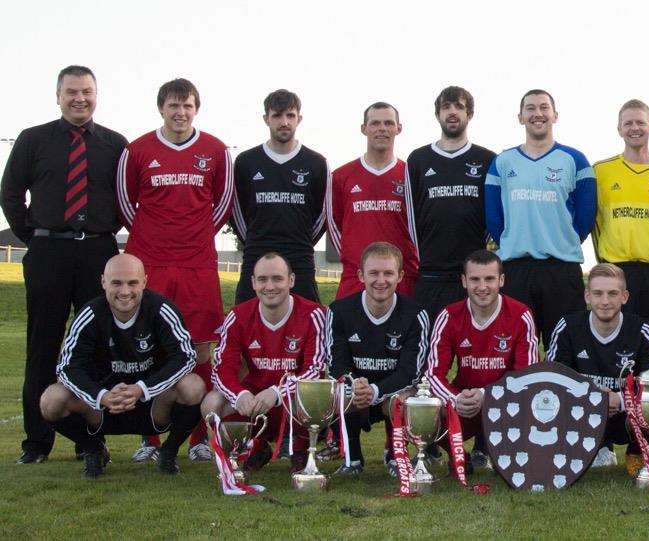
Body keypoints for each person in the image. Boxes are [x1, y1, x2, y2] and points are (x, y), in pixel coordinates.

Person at [2, 65, 127, 464]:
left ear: (97, 94)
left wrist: (103, 237)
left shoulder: (115, 144)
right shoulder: (33, 139)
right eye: (71, 91)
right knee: (43, 347)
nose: (80, 98)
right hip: (48, 254)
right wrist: (36, 238)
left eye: (87, 91)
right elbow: (10, 194)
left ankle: (89, 439)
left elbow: (126, 200)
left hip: (97, 253)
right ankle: (36, 444)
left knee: (94, 350)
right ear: (57, 96)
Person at [117, 78, 233, 463]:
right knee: (147, 345)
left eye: (187, 105)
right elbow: (125, 204)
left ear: (196, 109)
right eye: (173, 105)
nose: (180, 112)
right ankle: (149, 438)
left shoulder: (215, 150)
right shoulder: (137, 151)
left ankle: (200, 436)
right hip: (150, 262)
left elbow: (222, 204)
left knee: (201, 346)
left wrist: (192, 236)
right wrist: (156, 239)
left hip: (198, 263)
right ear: (161, 108)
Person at [40, 254, 204, 477]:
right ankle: (94, 449)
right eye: (116, 283)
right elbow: (67, 367)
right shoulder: (89, 314)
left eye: (132, 283)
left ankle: (169, 451)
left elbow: (186, 357)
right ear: (103, 282)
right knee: (51, 399)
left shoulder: (161, 309)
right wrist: (102, 396)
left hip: (152, 403)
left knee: (193, 386)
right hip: (103, 406)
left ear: (144, 282)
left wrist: (141, 389)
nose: (124, 291)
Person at [485, 89, 596, 346]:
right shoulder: (503, 161)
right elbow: (493, 217)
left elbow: (586, 215)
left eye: (544, 108)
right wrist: (511, 241)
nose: (538, 114)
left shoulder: (575, 159)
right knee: (517, 349)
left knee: (567, 347)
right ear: (520, 117)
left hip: (561, 268)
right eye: (531, 108)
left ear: (555, 115)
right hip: (516, 268)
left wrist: (562, 240)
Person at [202, 252, 328, 473]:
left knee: (315, 395)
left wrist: (277, 393)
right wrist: (239, 395)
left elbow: (314, 370)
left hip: (292, 401)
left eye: (277, 279)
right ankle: (252, 449)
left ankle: (300, 450)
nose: (270, 286)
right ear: (252, 282)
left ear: (291, 280)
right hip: (254, 399)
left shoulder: (314, 314)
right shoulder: (238, 315)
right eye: (262, 279)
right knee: (212, 402)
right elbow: (222, 370)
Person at [426, 249, 539, 471]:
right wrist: (455, 399)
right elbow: (432, 373)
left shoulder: (520, 315)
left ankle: (500, 453)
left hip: (505, 402)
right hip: (464, 401)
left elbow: (527, 376)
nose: (482, 286)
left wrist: (487, 395)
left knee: (532, 402)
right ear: (464, 281)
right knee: (428, 410)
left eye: (489, 279)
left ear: (502, 280)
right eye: (475, 279)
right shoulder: (449, 316)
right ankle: (459, 456)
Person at [547, 263, 649, 474]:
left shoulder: (643, 331)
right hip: (583, 411)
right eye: (598, 294)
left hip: (626, 414)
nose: (605, 301)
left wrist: (620, 400)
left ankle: (639, 451)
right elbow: (552, 380)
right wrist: (592, 397)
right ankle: (597, 450)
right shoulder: (567, 327)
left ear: (624, 297)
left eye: (612, 293)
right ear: (587, 296)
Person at [327, 242, 430, 476]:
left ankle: (396, 456)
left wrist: (375, 390)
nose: (380, 280)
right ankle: (352, 459)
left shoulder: (415, 315)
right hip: (358, 388)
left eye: (388, 273)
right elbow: (336, 364)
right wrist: (356, 385)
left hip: (393, 391)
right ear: (361, 275)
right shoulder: (339, 311)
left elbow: (411, 372)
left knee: (404, 398)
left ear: (400, 276)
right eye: (373, 273)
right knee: (338, 393)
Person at [592, 99, 649, 336]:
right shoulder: (601, 171)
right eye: (628, 123)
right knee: (618, 343)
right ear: (619, 129)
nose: (634, 128)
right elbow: (595, 222)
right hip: (616, 271)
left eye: (640, 122)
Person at [406, 86, 497, 318]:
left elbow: (492, 215)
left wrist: (478, 256)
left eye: (459, 107)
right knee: (428, 348)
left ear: (470, 114)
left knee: (475, 348)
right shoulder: (418, 159)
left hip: (473, 274)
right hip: (431, 272)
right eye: (446, 107)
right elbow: (411, 217)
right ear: (438, 114)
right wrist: (422, 256)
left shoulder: (487, 159)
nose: (452, 112)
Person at [231, 89, 328, 303]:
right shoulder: (247, 161)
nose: (284, 122)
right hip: (256, 253)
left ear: (299, 119)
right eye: (277, 115)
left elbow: (323, 214)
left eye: (290, 116)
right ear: (266, 119)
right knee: (245, 321)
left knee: (309, 322)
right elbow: (236, 210)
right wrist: (255, 239)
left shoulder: (316, 162)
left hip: (299, 256)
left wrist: (301, 241)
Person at [327, 102, 419, 300]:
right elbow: (334, 224)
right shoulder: (342, 176)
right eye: (375, 123)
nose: (382, 129)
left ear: (398, 128)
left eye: (388, 123)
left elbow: (420, 228)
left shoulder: (411, 175)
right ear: (364, 128)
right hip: (356, 279)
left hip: (402, 279)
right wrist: (353, 259)